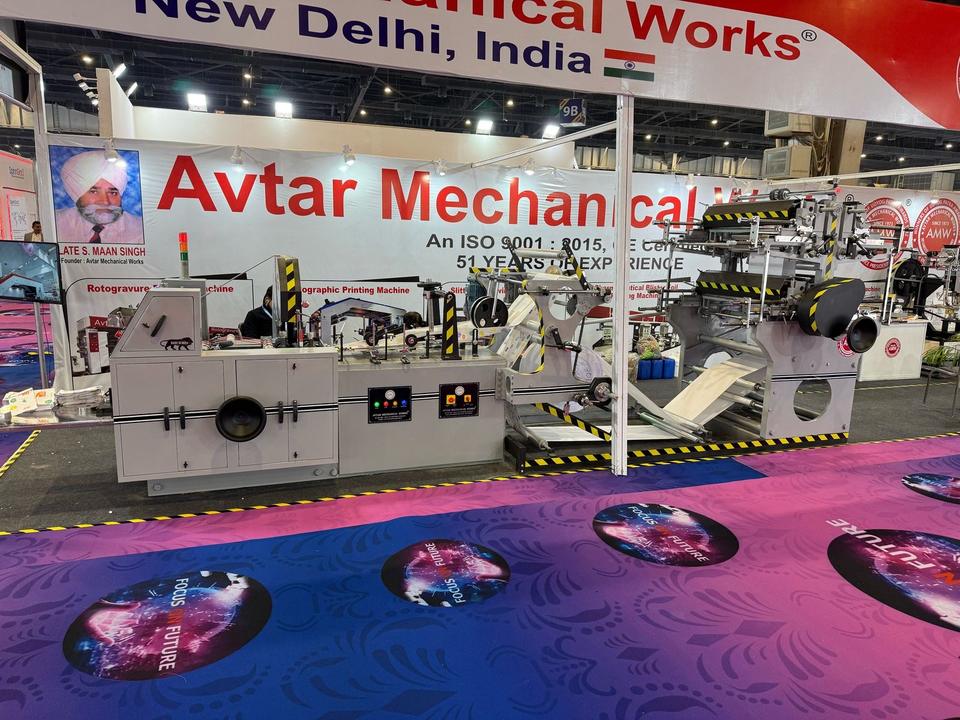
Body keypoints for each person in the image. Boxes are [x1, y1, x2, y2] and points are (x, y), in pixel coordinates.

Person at [54, 150, 144, 244]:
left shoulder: (140, 231)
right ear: (75, 194)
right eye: (94, 192)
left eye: (112, 193)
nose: (105, 202)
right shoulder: (55, 224)